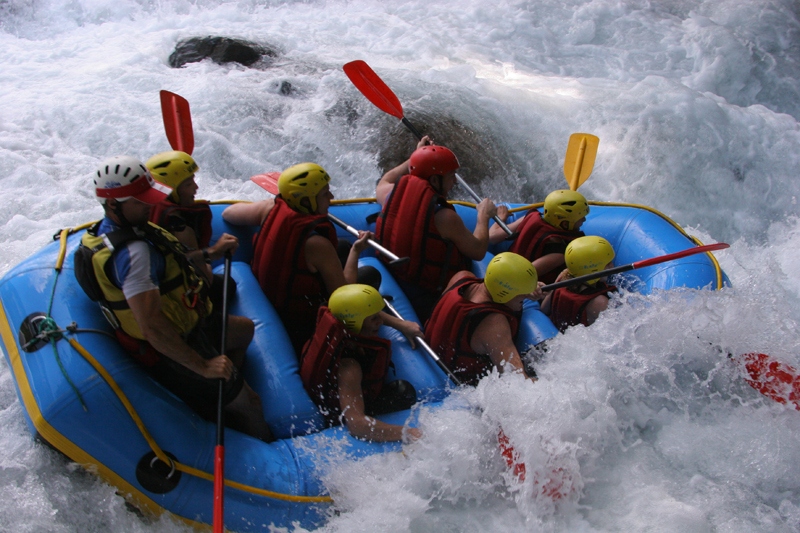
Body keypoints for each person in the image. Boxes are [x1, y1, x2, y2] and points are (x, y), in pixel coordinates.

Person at [74, 155, 273, 442]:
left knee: (244, 329)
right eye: (141, 200)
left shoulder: (130, 229)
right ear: (114, 204)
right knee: (252, 404)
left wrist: (210, 254)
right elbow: (152, 327)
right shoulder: (133, 255)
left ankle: (219, 399)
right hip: (172, 348)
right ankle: (254, 432)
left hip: (189, 324)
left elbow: (173, 262)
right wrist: (203, 366)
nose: (151, 204)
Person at [222, 163, 421, 353]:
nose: (332, 197)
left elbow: (228, 213)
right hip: (300, 323)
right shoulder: (317, 245)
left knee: (341, 246)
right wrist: (401, 324)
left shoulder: (270, 207)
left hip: (271, 293)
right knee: (369, 274)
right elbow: (346, 299)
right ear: (307, 201)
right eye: (325, 193)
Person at [375, 137, 499, 321]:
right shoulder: (444, 217)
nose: (454, 182)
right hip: (427, 295)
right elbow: (478, 251)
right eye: (451, 176)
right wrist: (483, 216)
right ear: (434, 179)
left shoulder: (389, 194)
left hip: (396, 276)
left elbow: (385, 179)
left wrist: (416, 158)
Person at [300, 284, 422, 443]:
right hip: (337, 410)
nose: (380, 321)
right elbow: (357, 425)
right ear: (355, 322)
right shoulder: (349, 367)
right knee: (403, 391)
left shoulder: (339, 321)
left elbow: (368, 315)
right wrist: (408, 432)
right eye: (374, 319)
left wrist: (402, 325)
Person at [424, 252, 543, 386]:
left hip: (432, 359)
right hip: (464, 385)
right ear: (504, 294)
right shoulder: (493, 323)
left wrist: (526, 288)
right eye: (522, 295)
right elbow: (518, 381)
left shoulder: (461, 277)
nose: (526, 297)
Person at [146, 150, 239, 309]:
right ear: (171, 190)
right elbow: (205, 279)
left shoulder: (142, 210)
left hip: (158, 287)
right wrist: (209, 255)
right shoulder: (181, 228)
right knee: (228, 285)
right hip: (179, 298)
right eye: (189, 184)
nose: (196, 187)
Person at [489, 190, 589, 284]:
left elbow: (492, 236)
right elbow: (520, 276)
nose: (584, 220)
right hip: (518, 285)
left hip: (506, 265)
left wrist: (501, 218)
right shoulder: (559, 254)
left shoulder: (531, 217)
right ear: (565, 224)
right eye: (581, 218)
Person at [540, 236, 617, 332]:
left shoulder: (562, 279)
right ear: (593, 269)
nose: (612, 266)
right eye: (608, 264)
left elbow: (544, 309)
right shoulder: (600, 302)